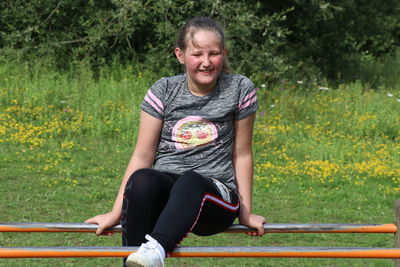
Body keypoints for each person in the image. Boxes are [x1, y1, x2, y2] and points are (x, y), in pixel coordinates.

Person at [85, 16, 266, 267]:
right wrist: (115, 212)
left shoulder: (239, 88)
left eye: (213, 54)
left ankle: (155, 251)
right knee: (142, 179)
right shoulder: (163, 91)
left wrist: (245, 212)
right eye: (197, 54)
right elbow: (142, 156)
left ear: (224, 53)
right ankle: (134, 261)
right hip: (170, 197)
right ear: (180, 55)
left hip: (215, 197)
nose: (206, 62)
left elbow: (242, 154)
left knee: (190, 180)